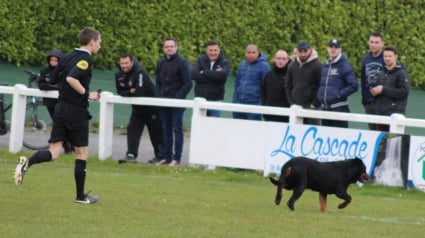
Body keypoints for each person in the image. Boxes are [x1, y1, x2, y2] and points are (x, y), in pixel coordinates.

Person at [14, 27, 102, 204]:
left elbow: (53, 80)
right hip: (76, 111)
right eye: (99, 42)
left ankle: (27, 163)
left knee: (54, 152)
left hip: (60, 109)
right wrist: (87, 94)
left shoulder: (68, 56)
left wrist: (66, 89)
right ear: (91, 41)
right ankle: (80, 196)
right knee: (82, 153)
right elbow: (71, 78)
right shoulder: (86, 59)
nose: (100, 45)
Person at [115, 53, 164, 164]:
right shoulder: (118, 74)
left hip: (153, 108)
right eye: (122, 63)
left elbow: (139, 91)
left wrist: (130, 91)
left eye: (126, 63)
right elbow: (119, 91)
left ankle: (160, 156)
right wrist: (130, 91)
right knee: (132, 129)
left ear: (132, 62)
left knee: (156, 133)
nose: (124, 66)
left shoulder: (140, 72)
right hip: (137, 109)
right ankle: (131, 155)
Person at [155, 37, 192, 166]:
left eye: (171, 46)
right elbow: (158, 82)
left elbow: (187, 83)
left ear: (176, 48)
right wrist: (160, 96)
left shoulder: (182, 62)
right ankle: (167, 157)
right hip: (164, 102)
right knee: (166, 129)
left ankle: (177, 159)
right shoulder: (160, 63)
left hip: (177, 103)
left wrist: (177, 98)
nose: (169, 48)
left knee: (177, 130)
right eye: (167, 46)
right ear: (164, 49)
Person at [317, 39, 358, 128]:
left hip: (339, 109)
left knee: (340, 138)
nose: (333, 49)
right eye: (331, 47)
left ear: (340, 50)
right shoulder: (325, 66)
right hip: (325, 109)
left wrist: (339, 95)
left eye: (336, 47)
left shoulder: (344, 65)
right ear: (327, 49)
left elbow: (354, 85)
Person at [370, 45, 410, 132]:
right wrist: (375, 92)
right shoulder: (381, 72)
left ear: (396, 56)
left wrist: (383, 89)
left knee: (394, 144)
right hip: (381, 115)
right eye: (385, 56)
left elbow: (404, 92)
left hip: (395, 117)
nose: (387, 59)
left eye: (390, 56)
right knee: (381, 144)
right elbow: (380, 91)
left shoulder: (402, 73)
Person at [285, 41, 322, 125]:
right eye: (300, 51)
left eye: (305, 51)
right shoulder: (292, 65)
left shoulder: (318, 65)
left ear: (310, 50)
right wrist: (292, 103)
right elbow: (287, 86)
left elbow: (321, 87)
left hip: (312, 109)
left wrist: (314, 104)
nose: (303, 54)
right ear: (297, 51)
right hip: (296, 108)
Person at [191, 40, 230, 117]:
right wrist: (214, 75)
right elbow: (193, 74)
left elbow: (222, 75)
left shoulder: (225, 62)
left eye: (215, 50)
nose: (213, 53)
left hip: (216, 100)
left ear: (219, 50)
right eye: (210, 50)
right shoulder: (200, 60)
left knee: (214, 127)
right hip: (200, 100)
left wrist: (204, 72)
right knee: (199, 126)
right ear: (206, 50)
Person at [232, 44, 270, 120]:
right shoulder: (242, 65)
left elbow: (266, 87)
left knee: (253, 130)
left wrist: (260, 103)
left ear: (258, 53)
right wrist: (235, 101)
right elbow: (237, 83)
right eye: (249, 52)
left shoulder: (264, 66)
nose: (251, 55)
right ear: (245, 53)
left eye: (253, 52)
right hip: (239, 103)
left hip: (255, 104)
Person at [361, 32, 385, 130]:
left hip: (382, 104)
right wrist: (365, 100)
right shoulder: (366, 58)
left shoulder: (386, 57)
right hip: (369, 104)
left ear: (382, 44)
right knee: (372, 132)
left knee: (383, 135)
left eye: (376, 42)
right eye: (371, 42)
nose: (373, 45)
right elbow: (363, 80)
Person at [261, 50, 291, 122]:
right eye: (279, 58)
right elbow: (264, 93)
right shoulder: (269, 75)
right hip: (269, 115)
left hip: (285, 116)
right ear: (274, 59)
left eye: (283, 59)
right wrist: (265, 109)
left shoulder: (291, 75)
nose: (281, 61)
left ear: (287, 60)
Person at [38, 49, 63, 118]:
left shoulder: (64, 71)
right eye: (52, 60)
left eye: (56, 60)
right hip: (49, 101)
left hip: (61, 101)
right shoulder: (45, 70)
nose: (53, 62)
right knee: (55, 120)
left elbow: (63, 86)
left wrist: (50, 85)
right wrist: (55, 86)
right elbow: (41, 85)